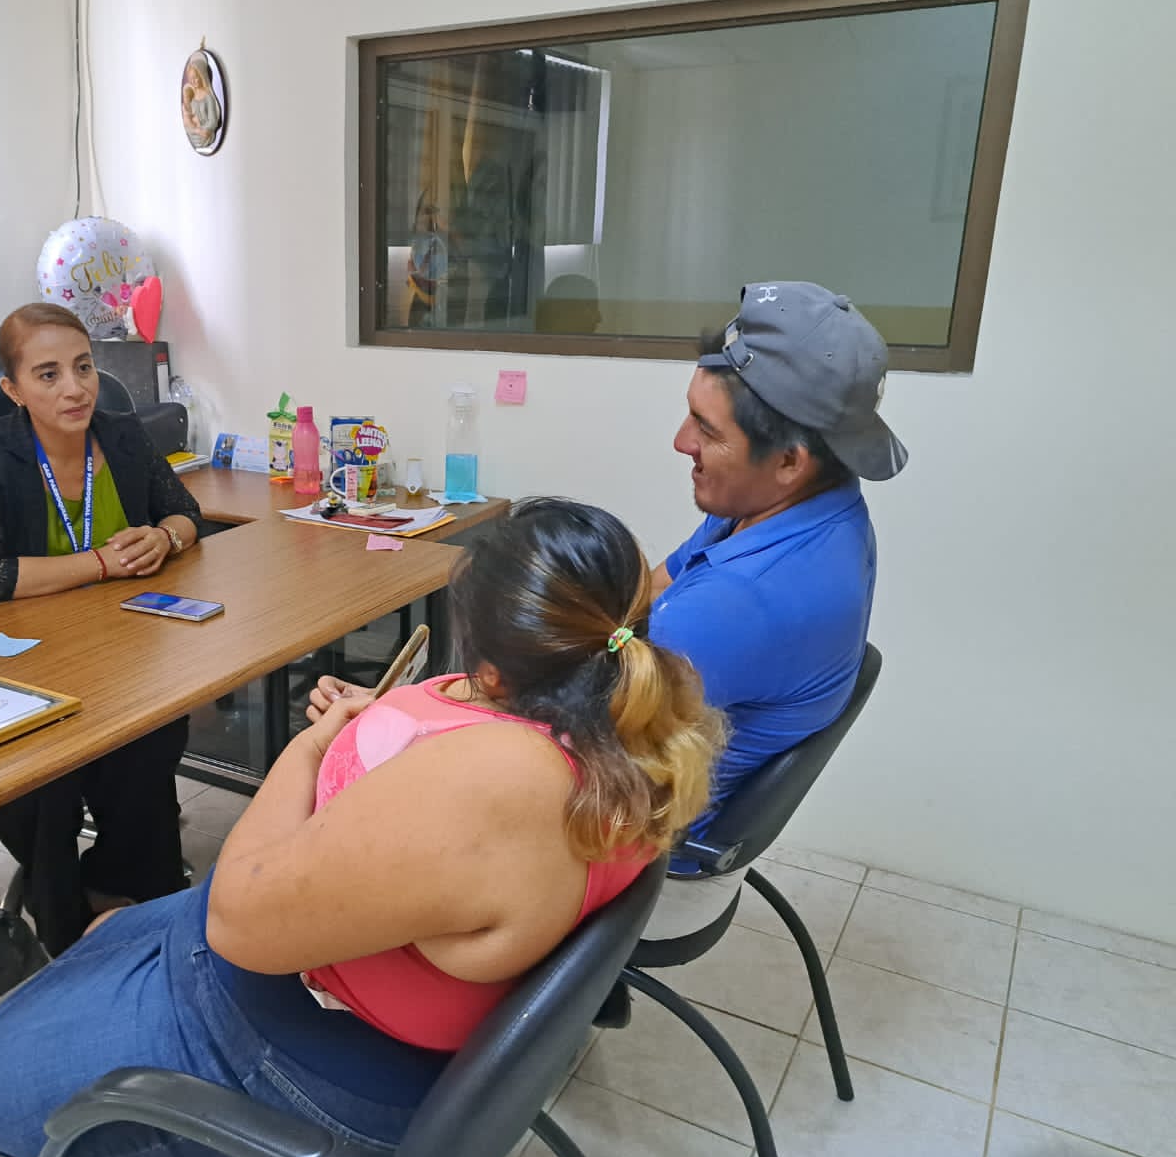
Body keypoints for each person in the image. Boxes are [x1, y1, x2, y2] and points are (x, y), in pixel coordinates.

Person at [0, 498, 723, 1157]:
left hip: (319, 1060)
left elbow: (234, 922)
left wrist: (308, 751)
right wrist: (391, 725)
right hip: (394, 1031)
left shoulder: (496, 782)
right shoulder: (635, 728)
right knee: (107, 930)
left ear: (494, 670)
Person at [314, 280, 905, 939]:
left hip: (646, 855)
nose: (681, 441)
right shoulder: (795, 508)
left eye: (707, 430)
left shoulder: (742, 603)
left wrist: (399, 720)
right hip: (636, 779)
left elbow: (541, 746)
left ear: (790, 461)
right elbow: (642, 594)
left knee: (352, 832)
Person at [0, 302, 201, 955]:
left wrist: (164, 538)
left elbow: (186, 511)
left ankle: (133, 891)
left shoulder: (123, 435)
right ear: (13, 389)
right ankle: (63, 926)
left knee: (154, 733)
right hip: (14, 654)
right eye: (49, 374)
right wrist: (101, 564)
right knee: (50, 773)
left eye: (84, 367)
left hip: (113, 641)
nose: (75, 388)